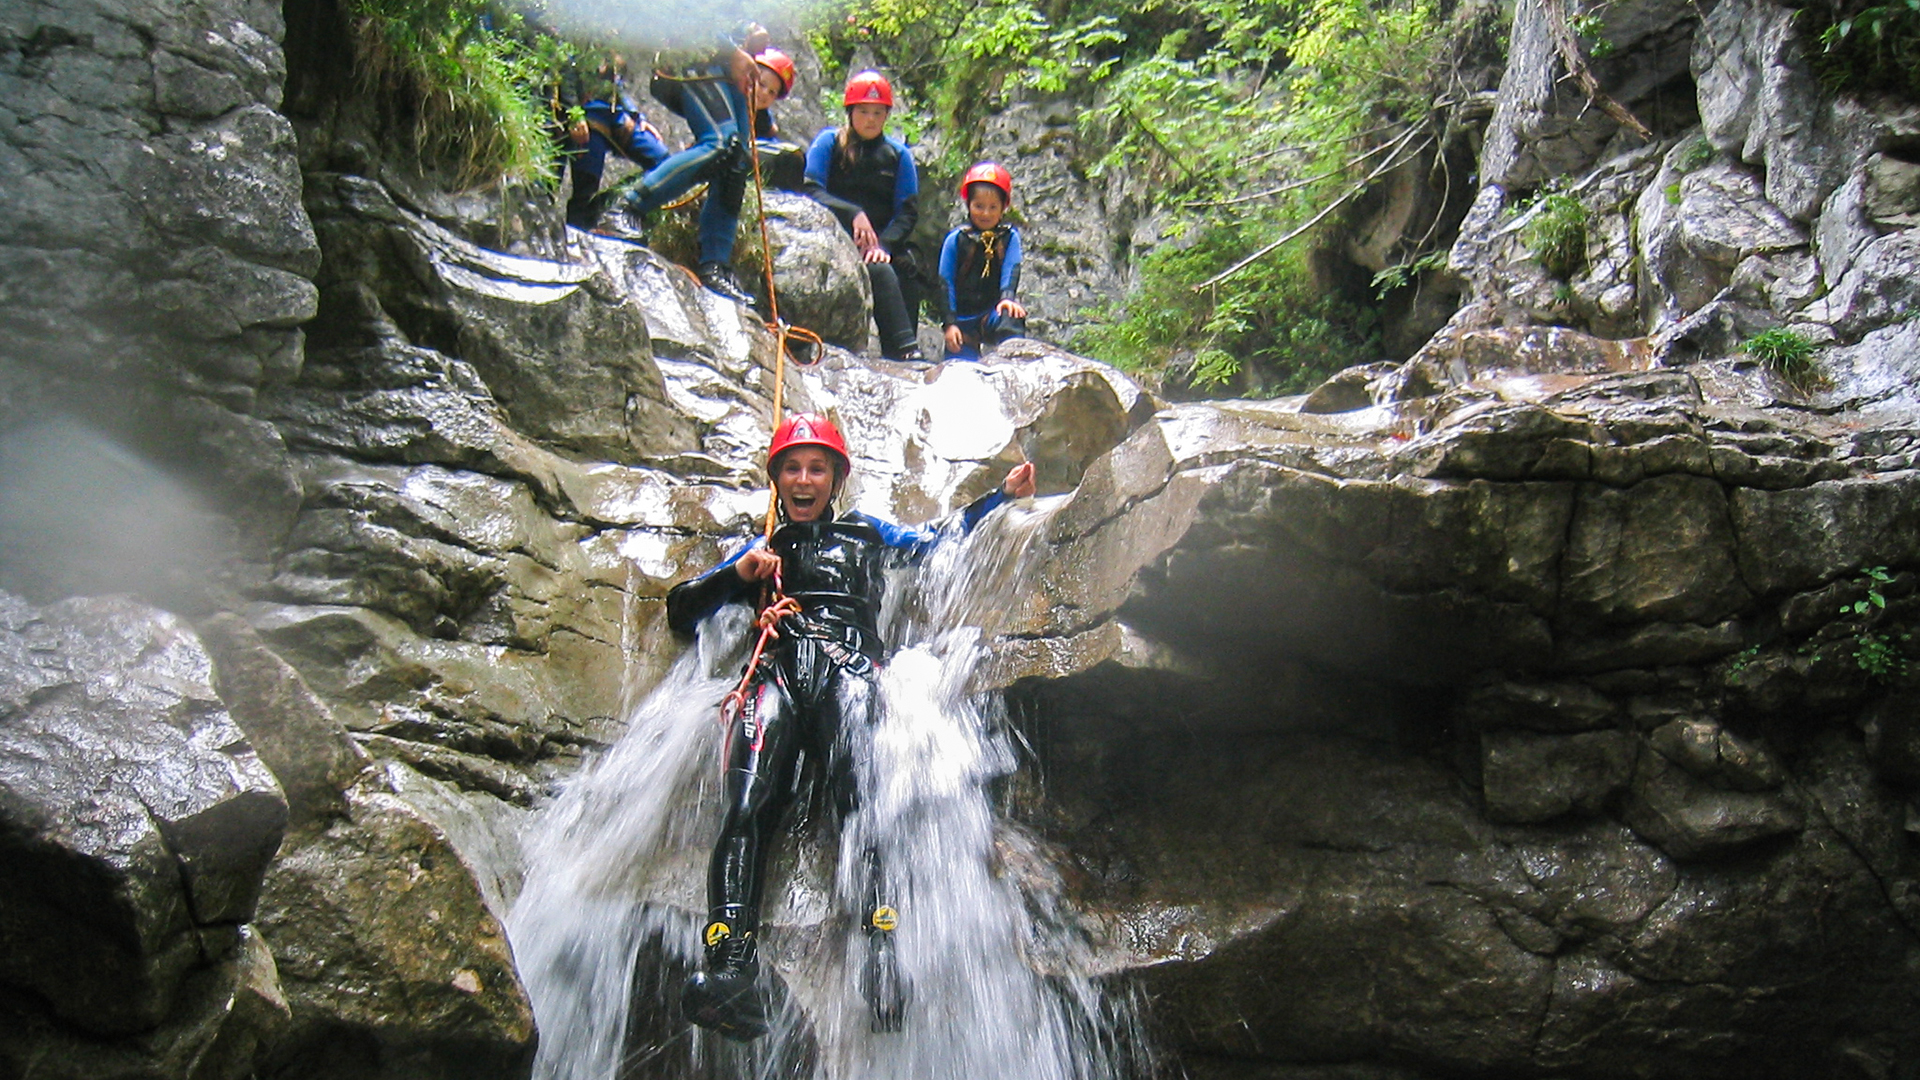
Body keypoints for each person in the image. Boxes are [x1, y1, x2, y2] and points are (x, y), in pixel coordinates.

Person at [665, 413, 1037, 1040]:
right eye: (791, 467)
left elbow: (931, 542)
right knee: (747, 806)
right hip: (779, 672)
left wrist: (999, 497)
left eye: (817, 468)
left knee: (863, 805)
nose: (804, 480)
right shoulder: (764, 549)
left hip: (851, 672)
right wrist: (738, 576)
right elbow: (682, 609)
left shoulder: (866, 532)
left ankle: (882, 952)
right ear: (777, 478)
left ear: (836, 477)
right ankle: (729, 962)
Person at [602, 28, 797, 306]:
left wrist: (746, 39)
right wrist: (732, 51)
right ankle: (626, 207)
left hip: (723, 67)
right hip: (695, 57)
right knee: (722, 141)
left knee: (736, 162)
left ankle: (715, 265)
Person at [802, 71, 926, 362]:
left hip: (880, 243)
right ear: (850, 112)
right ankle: (907, 348)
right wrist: (853, 213)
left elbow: (907, 212)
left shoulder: (898, 155)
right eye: (863, 112)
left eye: (877, 113)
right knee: (880, 273)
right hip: (835, 238)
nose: (870, 119)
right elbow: (811, 190)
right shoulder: (829, 143)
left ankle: (900, 351)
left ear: (886, 115)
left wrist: (883, 246)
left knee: (906, 267)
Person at [552, 55, 670, 231]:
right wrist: (574, 115)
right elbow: (568, 77)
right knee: (585, 188)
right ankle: (575, 236)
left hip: (618, 118)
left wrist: (637, 116)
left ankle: (622, 203)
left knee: (663, 161)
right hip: (588, 119)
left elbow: (617, 88)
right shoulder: (581, 45)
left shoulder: (614, 49)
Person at [938, 162, 1028, 360]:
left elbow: (1011, 270)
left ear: (1003, 207)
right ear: (968, 204)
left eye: (993, 207)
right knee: (960, 373)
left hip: (990, 314)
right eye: (979, 206)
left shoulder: (1009, 237)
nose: (986, 213)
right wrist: (950, 323)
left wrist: (1007, 298)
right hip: (962, 320)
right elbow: (945, 284)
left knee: (1011, 315)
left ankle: (1011, 365)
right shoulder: (956, 240)